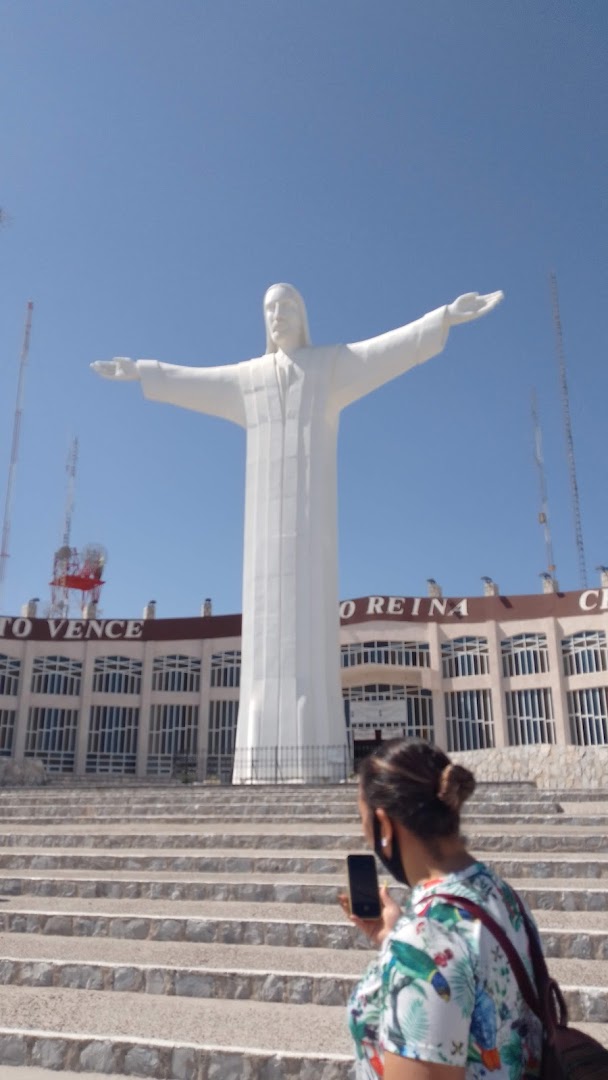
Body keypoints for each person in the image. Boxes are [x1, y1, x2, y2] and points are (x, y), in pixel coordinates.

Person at [91, 285, 502, 779]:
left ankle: (318, 763)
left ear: (303, 315)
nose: (277, 316)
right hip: (261, 548)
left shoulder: (329, 366)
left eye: (286, 307)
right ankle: (258, 765)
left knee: (310, 644)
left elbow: (386, 349)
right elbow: (193, 379)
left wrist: (443, 319)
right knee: (264, 650)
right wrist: (143, 371)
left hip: (313, 537)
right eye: (268, 309)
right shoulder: (248, 379)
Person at [341, 738, 543, 1079]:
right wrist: (395, 936)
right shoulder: (501, 895)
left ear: (385, 827)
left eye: (366, 827)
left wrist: (411, 942)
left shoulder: (425, 937)